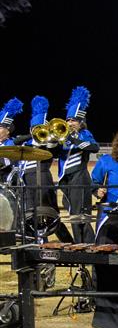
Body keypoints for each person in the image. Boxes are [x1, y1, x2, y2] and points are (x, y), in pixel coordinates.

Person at [15, 96, 72, 242]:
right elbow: (16, 141)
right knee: (29, 214)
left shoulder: (49, 142)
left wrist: (48, 139)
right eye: (35, 128)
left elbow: (56, 151)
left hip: (43, 179)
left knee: (51, 214)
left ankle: (68, 242)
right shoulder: (26, 141)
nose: (38, 131)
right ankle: (35, 243)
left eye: (40, 128)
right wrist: (33, 136)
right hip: (26, 181)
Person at [56, 86, 100, 243]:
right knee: (72, 212)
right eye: (68, 119)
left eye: (73, 120)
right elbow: (55, 153)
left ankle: (86, 244)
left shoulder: (84, 134)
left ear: (81, 122)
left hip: (79, 177)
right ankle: (79, 242)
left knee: (80, 214)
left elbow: (95, 147)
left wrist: (75, 140)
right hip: (65, 179)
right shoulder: (62, 137)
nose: (69, 122)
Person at [0, 97, 24, 183]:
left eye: (0, 127)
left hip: (7, 179)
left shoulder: (11, 143)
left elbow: (7, 162)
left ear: (7, 131)